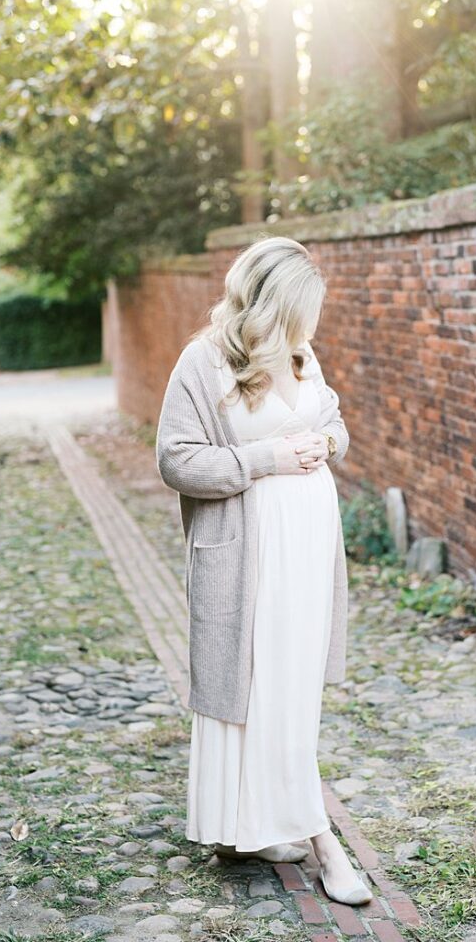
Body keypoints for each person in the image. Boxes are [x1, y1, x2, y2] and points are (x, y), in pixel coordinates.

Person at [155, 235, 372, 905]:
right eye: (304, 308)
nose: (313, 323)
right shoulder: (204, 362)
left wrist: (326, 442)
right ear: (269, 302)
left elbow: (333, 422)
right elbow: (177, 460)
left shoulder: (303, 354)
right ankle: (322, 842)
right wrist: (265, 460)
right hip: (248, 556)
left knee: (291, 692)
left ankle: (241, 827)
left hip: (306, 549)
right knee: (253, 691)